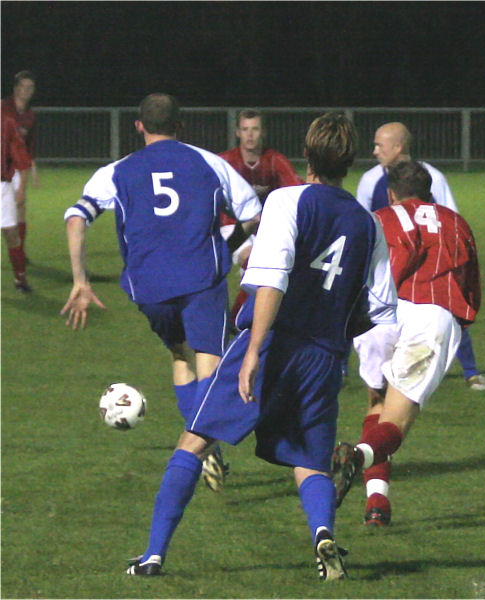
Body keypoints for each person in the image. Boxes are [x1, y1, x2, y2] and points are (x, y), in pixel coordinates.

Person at [125, 112, 397, 580]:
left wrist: (252, 350)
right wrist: (332, 337)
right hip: (324, 357)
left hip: (273, 345)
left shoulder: (288, 200)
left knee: (193, 440)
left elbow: (270, 281)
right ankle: (323, 536)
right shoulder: (368, 224)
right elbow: (377, 309)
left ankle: (153, 554)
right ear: (348, 162)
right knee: (309, 459)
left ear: (307, 155)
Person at [60, 93, 262, 491]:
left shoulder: (116, 171)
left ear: (138, 126)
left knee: (178, 351)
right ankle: (201, 447)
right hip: (201, 278)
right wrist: (230, 241)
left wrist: (80, 280)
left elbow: (75, 217)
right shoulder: (209, 162)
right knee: (209, 357)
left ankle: (203, 448)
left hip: (148, 285)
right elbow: (255, 214)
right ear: (180, 126)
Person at [333, 160, 481, 528]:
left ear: (391, 193)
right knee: (396, 419)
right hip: (431, 316)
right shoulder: (457, 222)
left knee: (377, 403)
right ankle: (359, 456)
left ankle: (377, 503)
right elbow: (470, 287)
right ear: (430, 192)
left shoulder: (379, 217)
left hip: (380, 315)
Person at [355, 121, 485, 391]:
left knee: (446, 304)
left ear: (398, 146)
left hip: (430, 259)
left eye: (380, 145)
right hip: (390, 263)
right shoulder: (370, 179)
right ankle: (345, 371)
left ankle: (471, 371)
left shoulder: (433, 177)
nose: (375, 151)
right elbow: (360, 221)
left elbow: (451, 217)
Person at [219, 109, 304, 324]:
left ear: (263, 132)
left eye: (255, 129)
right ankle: (239, 317)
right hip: (232, 227)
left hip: (266, 229)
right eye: (245, 129)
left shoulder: (275, 160)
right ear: (238, 132)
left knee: (276, 267)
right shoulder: (225, 162)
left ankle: (253, 316)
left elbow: (294, 191)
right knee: (253, 260)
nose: (250, 135)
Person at [1, 71, 38, 257]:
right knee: (8, 211)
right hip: (3, 165)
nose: (26, 90)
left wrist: (33, 167)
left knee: (20, 204)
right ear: (16, 88)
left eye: (30, 87)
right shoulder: (3, 108)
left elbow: (29, 145)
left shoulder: (30, 115)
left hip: (18, 166)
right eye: (23, 86)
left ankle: (19, 252)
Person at [1, 109, 32, 291]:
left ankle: (20, 278)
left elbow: (20, 155)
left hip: (3, 185)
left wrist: (21, 188)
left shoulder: (6, 123)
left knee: (11, 233)